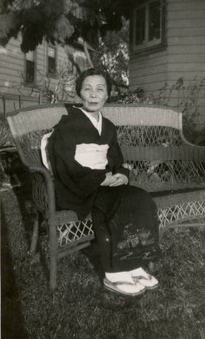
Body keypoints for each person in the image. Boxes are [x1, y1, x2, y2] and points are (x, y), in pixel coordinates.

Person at [45, 68, 160, 296]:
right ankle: (114, 272)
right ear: (79, 94)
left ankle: (135, 263)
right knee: (116, 203)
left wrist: (122, 175)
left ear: (108, 95)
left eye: (100, 89)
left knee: (140, 197)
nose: (94, 94)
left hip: (102, 182)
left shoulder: (108, 127)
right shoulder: (67, 125)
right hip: (77, 185)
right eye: (87, 89)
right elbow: (65, 164)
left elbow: (116, 159)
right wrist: (100, 178)